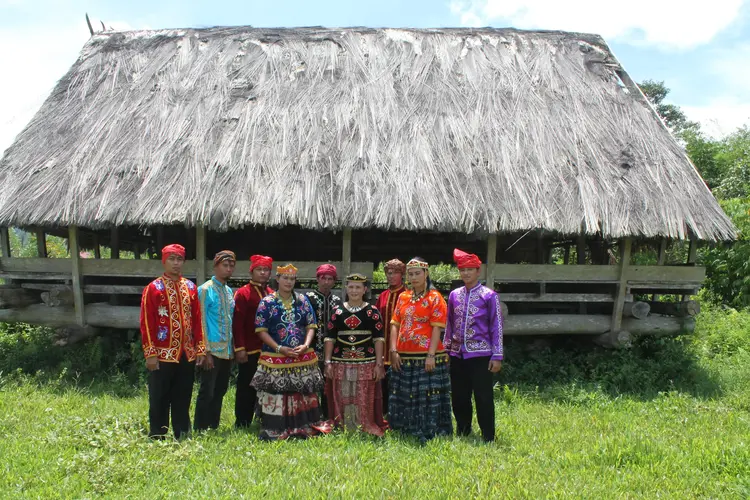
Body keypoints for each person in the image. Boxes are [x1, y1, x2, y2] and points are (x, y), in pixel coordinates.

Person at [251, 264, 332, 440]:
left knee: (302, 393)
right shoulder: (267, 302)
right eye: (285, 278)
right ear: (277, 279)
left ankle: (303, 424)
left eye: (292, 279)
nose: (289, 282)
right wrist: (279, 348)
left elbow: (311, 325)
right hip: (275, 357)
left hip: (301, 356)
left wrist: (306, 345)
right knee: (277, 393)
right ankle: (276, 426)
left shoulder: (302, 300)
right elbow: (261, 330)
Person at [140, 243, 206, 439]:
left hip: (186, 352)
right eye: (172, 259)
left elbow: (197, 320)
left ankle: (182, 432)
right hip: (162, 353)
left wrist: (200, 348)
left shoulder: (190, 287)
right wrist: (150, 353)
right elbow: (146, 322)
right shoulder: (153, 288)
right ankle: (158, 434)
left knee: (183, 394)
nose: (176, 263)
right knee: (159, 395)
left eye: (179, 259)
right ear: (164, 261)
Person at [389, 257, 452, 442]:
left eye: (417, 273)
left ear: (426, 274)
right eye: (410, 274)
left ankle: (429, 427)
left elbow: (437, 328)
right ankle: (403, 427)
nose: (414, 277)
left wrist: (431, 355)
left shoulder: (435, 297)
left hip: (427, 356)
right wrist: (393, 351)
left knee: (426, 394)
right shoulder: (403, 297)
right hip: (403, 355)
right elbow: (395, 324)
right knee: (404, 393)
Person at [444, 249, 504, 443]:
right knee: (459, 396)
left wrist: (497, 355)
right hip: (457, 354)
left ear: (478, 271)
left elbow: (496, 326)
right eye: (463, 270)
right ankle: (463, 430)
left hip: (481, 354)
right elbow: (449, 324)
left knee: (483, 396)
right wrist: (446, 349)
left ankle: (488, 435)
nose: (466, 273)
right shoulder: (454, 295)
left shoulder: (489, 296)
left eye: (470, 269)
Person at [324, 273, 388, 436]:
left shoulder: (372, 311)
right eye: (351, 287)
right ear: (346, 288)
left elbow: (379, 339)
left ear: (364, 289)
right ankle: (344, 424)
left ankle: (363, 424)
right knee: (342, 394)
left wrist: (379, 364)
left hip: (366, 361)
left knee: (363, 395)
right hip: (340, 361)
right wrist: (327, 362)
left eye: (358, 287)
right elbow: (330, 338)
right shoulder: (337, 311)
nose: (354, 290)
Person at [194, 250, 236, 431]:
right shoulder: (205, 290)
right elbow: (201, 321)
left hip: (227, 349)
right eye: (225, 265)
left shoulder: (228, 291)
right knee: (207, 390)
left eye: (231, 266)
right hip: (211, 349)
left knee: (221, 389)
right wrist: (205, 351)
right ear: (215, 266)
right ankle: (200, 427)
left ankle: (213, 425)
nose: (228, 269)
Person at [232, 254, 275, 428]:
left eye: (266, 270)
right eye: (259, 269)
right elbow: (237, 323)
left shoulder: (272, 294)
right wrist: (239, 348)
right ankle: (242, 421)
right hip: (249, 349)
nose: (263, 273)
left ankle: (265, 420)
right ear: (252, 272)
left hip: (269, 349)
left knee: (268, 386)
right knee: (246, 386)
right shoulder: (243, 293)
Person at [305, 263, 342, 418]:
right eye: (323, 278)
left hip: (332, 350)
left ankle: (328, 415)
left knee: (329, 383)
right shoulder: (308, 298)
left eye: (330, 279)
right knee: (311, 383)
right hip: (312, 348)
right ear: (317, 279)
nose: (326, 282)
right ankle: (311, 415)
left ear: (334, 281)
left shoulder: (337, 300)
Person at [374, 258, 406, 415]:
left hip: (401, 347)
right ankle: (383, 415)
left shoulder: (407, 295)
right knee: (382, 385)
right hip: (383, 347)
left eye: (395, 273)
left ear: (402, 275)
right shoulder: (383, 296)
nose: (391, 276)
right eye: (389, 273)